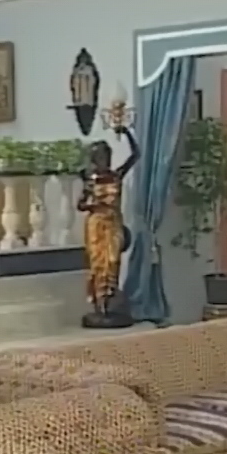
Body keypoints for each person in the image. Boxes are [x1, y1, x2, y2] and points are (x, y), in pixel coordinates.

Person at [77, 126, 138, 327]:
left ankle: (110, 299)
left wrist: (127, 132)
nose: (105, 160)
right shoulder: (90, 180)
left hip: (113, 222)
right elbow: (80, 205)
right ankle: (99, 304)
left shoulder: (116, 175)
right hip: (96, 224)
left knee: (113, 261)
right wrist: (95, 206)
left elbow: (136, 155)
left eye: (107, 156)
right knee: (97, 265)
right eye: (101, 157)